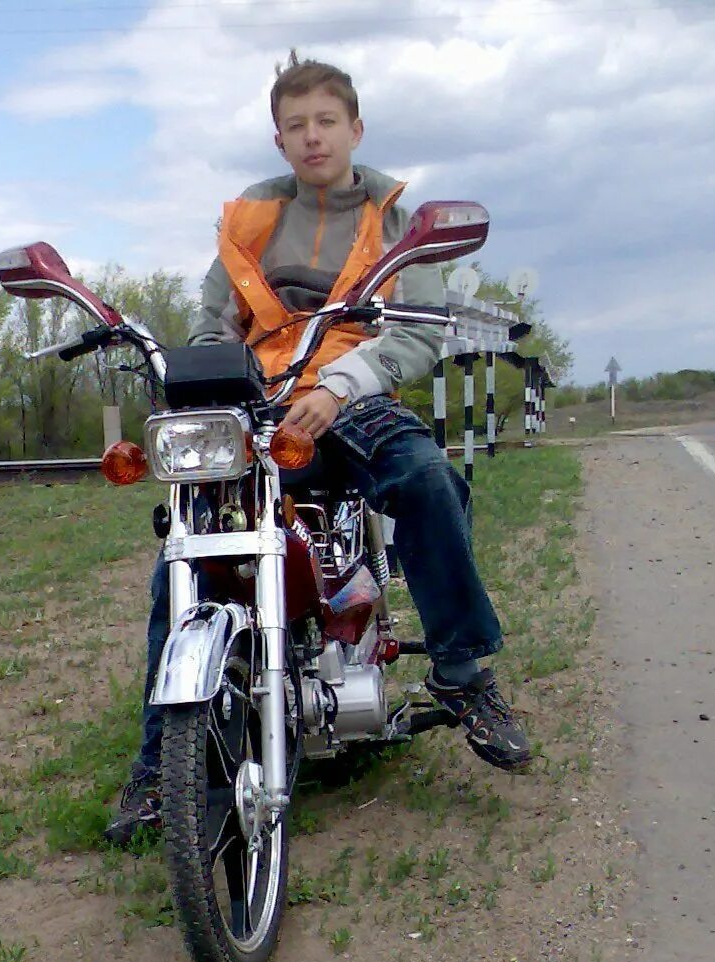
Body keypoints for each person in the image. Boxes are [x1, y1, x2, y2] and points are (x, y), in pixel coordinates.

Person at [105, 52, 530, 847]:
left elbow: (416, 335)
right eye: (295, 125)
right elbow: (210, 317)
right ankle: (160, 764)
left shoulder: (399, 220)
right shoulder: (250, 222)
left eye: (325, 121)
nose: (312, 137)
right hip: (258, 404)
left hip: (354, 397)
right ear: (278, 139)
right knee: (184, 554)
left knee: (427, 477)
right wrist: (209, 380)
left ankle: (463, 672)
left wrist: (339, 385)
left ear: (355, 128)